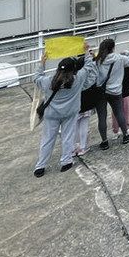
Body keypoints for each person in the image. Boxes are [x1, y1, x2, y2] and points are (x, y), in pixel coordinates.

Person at [33, 41, 97, 176]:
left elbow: (37, 78)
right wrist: (86, 52)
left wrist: (42, 64)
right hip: (70, 113)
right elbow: (89, 66)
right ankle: (66, 161)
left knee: (47, 140)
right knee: (68, 137)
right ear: (73, 69)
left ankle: (40, 166)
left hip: (51, 114)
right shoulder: (77, 79)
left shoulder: (49, 81)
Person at [95, 39, 129, 148]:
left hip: (101, 92)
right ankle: (125, 135)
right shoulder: (119, 58)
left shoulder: (97, 61)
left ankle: (104, 141)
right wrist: (128, 52)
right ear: (113, 48)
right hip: (115, 91)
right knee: (119, 112)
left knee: (102, 117)